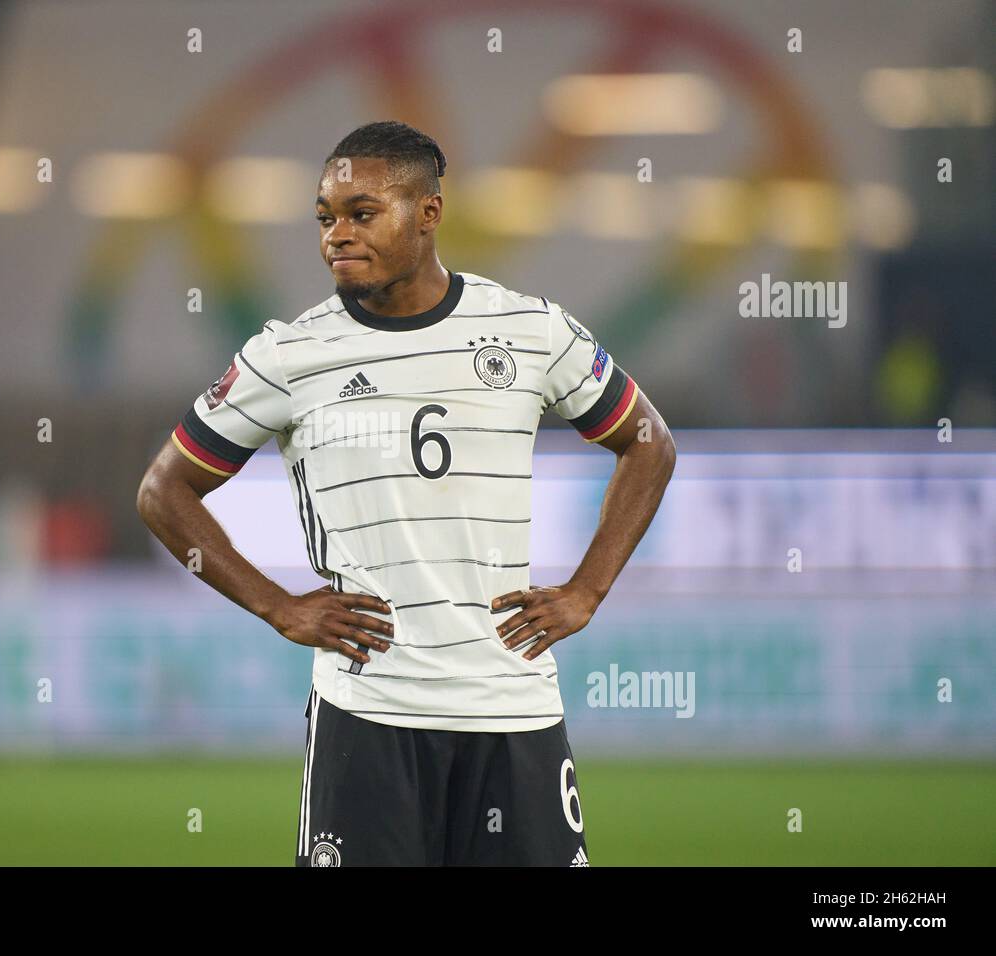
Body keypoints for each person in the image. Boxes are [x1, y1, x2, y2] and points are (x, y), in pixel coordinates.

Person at [137, 120, 676, 866]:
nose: (337, 235)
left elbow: (648, 444)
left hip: (511, 708)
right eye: (326, 218)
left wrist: (587, 590)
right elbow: (164, 490)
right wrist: (279, 605)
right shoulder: (291, 355)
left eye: (363, 213)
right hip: (369, 714)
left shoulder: (529, 330)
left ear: (429, 212)